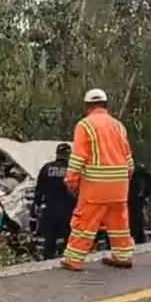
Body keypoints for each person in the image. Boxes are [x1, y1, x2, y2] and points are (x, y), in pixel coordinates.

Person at [61, 88, 135, 272]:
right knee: (119, 222)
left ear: (87, 106)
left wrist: (71, 181)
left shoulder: (84, 125)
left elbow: (78, 157)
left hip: (96, 186)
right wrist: (126, 177)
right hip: (119, 184)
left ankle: (74, 259)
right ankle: (123, 256)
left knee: (84, 221)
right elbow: (128, 157)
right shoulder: (119, 126)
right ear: (106, 105)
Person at [33, 143, 76, 259]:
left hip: (49, 209)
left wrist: (37, 205)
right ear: (68, 155)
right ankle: (67, 259)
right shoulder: (72, 170)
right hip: (67, 209)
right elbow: (78, 190)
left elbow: (38, 190)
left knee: (49, 239)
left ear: (57, 154)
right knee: (68, 237)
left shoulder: (46, 168)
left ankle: (48, 261)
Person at [128, 163, 151, 244]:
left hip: (133, 197)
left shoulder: (137, 170)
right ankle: (139, 236)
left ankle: (137, 236)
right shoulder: (139, 169)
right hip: (134, 197)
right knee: (136, 217)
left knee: (135, 217)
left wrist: (146, 194)